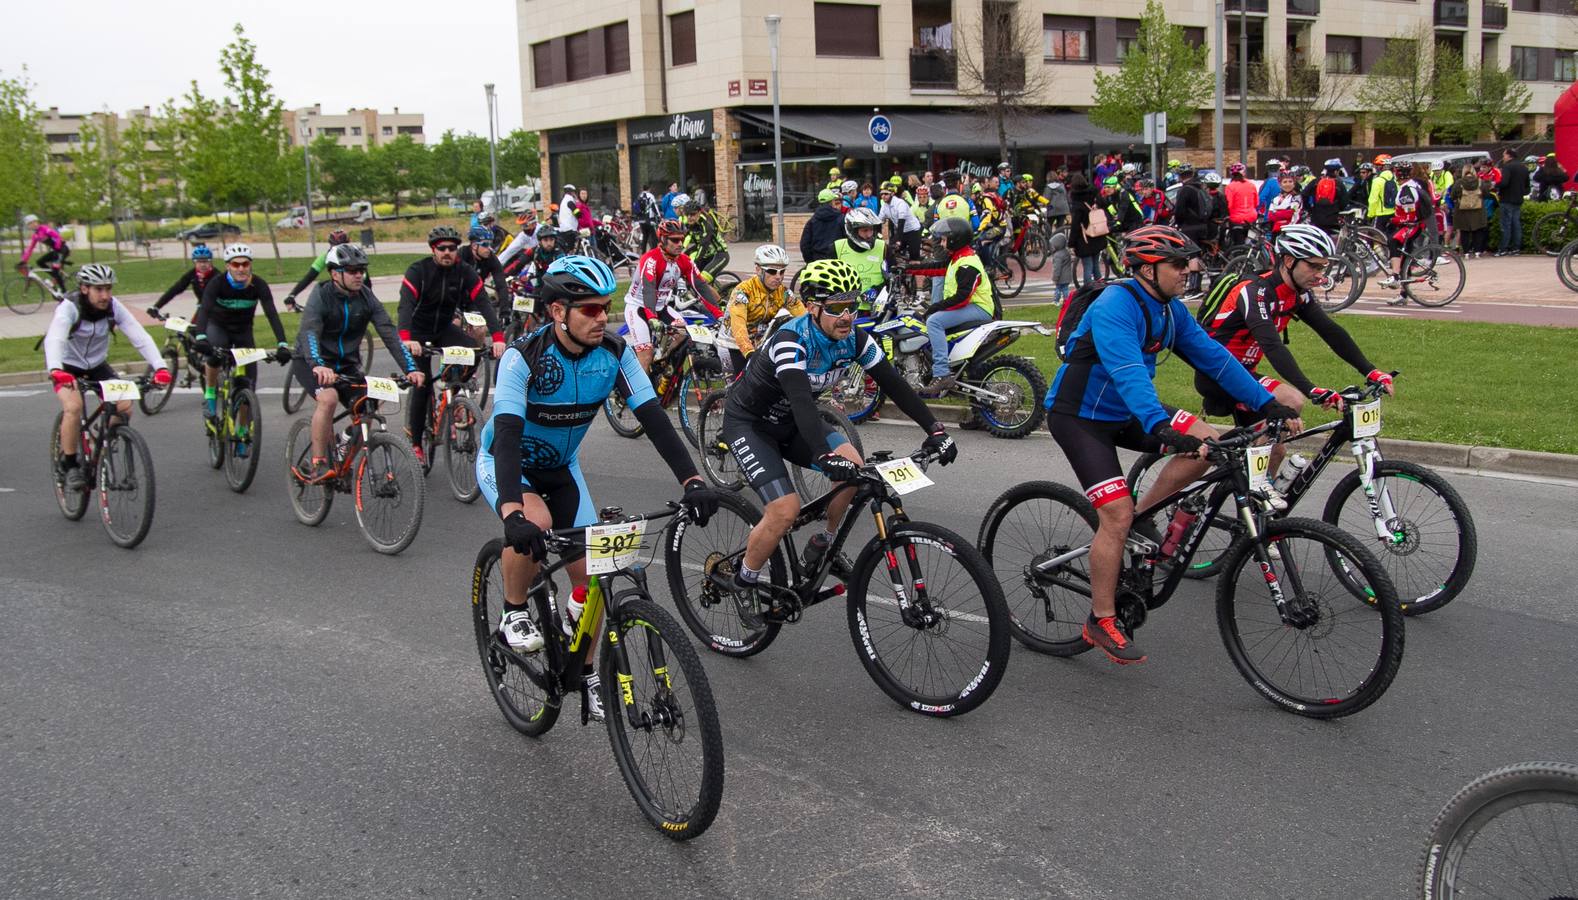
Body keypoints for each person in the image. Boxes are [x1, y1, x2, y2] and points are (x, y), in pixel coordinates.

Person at [481, 255, 722, 720]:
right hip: (509, 465)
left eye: (606, 307)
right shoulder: (522, 358)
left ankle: (587, 673)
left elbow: (654, 420)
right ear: (557, 312)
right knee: (537, 522)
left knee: (593, 579)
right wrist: (512, 512)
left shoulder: (614, 352)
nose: (601, 318)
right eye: (589, 309)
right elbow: (507, 436)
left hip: (562, 469)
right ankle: (513, 608)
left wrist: (693, 481)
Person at [1046, 224, 1297, 664]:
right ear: (1146, 269)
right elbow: (1127, 370)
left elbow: (1216, 359)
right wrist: (1160, 425)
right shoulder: (1114, 305)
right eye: (1179, 263)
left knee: (1213, 442)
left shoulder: (1169, 309)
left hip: (1129, 411)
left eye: (1189, 262)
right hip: (1080, 418)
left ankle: (1143, 520)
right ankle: (1100, 619)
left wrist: (1265, 403)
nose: (1190, 270)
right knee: (1115, 514)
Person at [706, 259, 956, 625]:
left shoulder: (854, 338)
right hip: (752, 425)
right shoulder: (792, 341)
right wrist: (823, 455)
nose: (847, 316)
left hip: (793, 423)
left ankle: (824, 542)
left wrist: (934, 429)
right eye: (837, 307)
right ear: (812, 308)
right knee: (784, 510)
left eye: (853, 306)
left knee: (853, 467)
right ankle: (742, 581)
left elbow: (895, 385)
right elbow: (801, 401)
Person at [1198, 224, 1392, 490]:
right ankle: (1228, 477)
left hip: (1245, 374)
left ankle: (1251, 507)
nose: (1319, 274)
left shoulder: (1297, 294)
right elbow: (1272, 346)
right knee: (1292, 400)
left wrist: (1371, 371)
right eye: (1313, 266)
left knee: (1275, 452)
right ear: (1289, 261)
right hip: (1218, 374)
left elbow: (1330, 331)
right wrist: (1312, 390)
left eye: (1323, 267)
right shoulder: (1254, 291)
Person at [292, 244, 424, 483]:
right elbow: (309, 331)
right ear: (334, 273)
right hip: (310, 361)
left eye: (361, 270)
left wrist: (411, 368)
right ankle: (318, 464)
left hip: (346, 364)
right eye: (351, 270)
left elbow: (388, 332)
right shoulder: (321, 295)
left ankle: (343, 444)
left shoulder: (365, 296)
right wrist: (318, 365)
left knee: (369, 404)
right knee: (329, 399)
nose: (358, 275)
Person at [46, 264, 173, 493]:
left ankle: (98, 444)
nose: (105, 295)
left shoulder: (114, 307)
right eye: (99, 289)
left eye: (108, 289)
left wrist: (160, 367)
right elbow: (55, 338)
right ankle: (70, 463)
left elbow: (139, 336)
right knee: (73, 407)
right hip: (66, 367)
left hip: (97, 365)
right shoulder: (70, 307)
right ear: (85, 288)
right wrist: (56, 369)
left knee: (124, 407)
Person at [398, 225, 505, 464]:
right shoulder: (419, 270)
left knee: (474, 351)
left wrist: (497, 337)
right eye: (442, 248)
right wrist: (407, 338)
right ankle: (416, 442)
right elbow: (405, 305)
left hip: (444, 328)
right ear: (434, 250)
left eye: (452, 248)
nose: (448, 252)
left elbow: (484, 302)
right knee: (422, 383)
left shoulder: (464, 271)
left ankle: (453, 392)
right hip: (418, 331)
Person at [192, 243, 291, 421]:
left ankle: (243, 432)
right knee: (215, 353)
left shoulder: (258, 285)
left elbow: (272, 314)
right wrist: (201, 337)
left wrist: (282, 344)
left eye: (245, 264)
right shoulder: (217, 283)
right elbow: (205, 310)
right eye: (236, 264)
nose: (241, 268)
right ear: (227, 266)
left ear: (250, 264)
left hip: (243, 332)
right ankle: (210, 394)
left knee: (248, 385)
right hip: (218, 327)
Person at [624, 219, 721, 374]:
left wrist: (719, 314)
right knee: (646, 355)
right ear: (662, 239)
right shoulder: (651, 259)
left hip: (661, 307)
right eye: (675, 240)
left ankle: (660, 366)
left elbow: (700, 286)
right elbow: (649, 289)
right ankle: (639, 394)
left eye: (682, 239)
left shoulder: (683, 260)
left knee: (682, 333)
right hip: (639, 308)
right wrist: (651, 317)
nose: (680, 244)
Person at [921, 217, 996, 394]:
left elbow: (962, 297)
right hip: (972, 306)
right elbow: (936, 268)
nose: (941, 242)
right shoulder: (958, 258)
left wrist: (936, 307)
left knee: (934, 322)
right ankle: (951, 371)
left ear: (955, 240)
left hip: (979, 308)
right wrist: (906, 268)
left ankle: (941, 374)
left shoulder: (967, 263)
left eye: (944, 239)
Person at [720, 244, 804, 374]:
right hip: (733, 343)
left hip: (758, 342)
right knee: (740, 388)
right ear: (758, 270)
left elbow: (803, 316)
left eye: (782, 272)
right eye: (772, 271)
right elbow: (738, 325)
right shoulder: (743, 292)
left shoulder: (783, 292)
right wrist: (748, 352)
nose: (778, 277)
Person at [1382, 161, 1437, 306]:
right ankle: (1403, 295)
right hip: (1414, 224)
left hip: (1413, 225)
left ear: (1397, 174)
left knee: (1393, 241)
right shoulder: (1411, 185)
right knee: (1405, 259)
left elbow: (1409, 215)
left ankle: (1394, 276)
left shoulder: (1407, 189)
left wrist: (1394, 220)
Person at [282, 229, 355, 311]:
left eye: (340, 247)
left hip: (355, 289)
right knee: (323, 287)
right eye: (334, 247)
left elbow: (364, 279)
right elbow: (309, 277)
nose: (337, 250)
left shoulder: (355, 255)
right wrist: (292, 295)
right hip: (339, 290)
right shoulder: (326, 256)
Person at [833, 207, 887, 302]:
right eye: (865, 230)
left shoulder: (883, 247)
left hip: (877, 308)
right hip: (847, 308)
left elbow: (893, 278)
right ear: (853, 230)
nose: (869, 235)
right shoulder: (837, 247)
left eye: (871, 230)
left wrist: (877, 290)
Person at [1170, 166, 1210, 294]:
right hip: (1203, 225)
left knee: (1192, 255)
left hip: (1189, 226)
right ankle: (1197, 283)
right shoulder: (1200, 187)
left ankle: (1193, 287)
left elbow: (1179, 211)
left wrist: (1178, 222)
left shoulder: (1184, 190)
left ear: (1181, 176)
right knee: (1199, 254)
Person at [149, 244, 220, 316]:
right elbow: (174, 290)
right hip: (202, 308)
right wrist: (157, 307)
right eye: (199, 261)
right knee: (192, 326)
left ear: (210, 262)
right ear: (194, 262)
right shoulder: (192, 274)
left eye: (205, 261)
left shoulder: (218, 276)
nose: (202, 265)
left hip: (219, 310)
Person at [460, 224, 511, 319]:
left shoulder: (491, 258)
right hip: (457, 295)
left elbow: (501, 285)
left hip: (476, 296)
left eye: (490, 244)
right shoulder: (461, 255)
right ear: (474, 245)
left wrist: (505, 312)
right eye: (485, 245)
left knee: (480, 328)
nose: (490, 248)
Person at [17, 215, 70, 293]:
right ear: (28, 226)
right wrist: (24, 260)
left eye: (35, 222)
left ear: (37, 222)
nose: (33, 224)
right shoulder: (35, 235)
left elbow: (57, 237)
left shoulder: (44, 229)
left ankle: (65, 291)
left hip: (62, 250)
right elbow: (30, 249)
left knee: (55, 268)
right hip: (55, 251)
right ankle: (57, 277)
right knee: (39, 262)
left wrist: (57, 248)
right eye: (30, 223)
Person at [1069, 173, 1105, 285]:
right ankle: (1100, 287)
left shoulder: (1077, 203)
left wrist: (1071, 243)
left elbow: (1075, 225)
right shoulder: (1094, 194)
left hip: (1084, 238)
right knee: (1096, 266)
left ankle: (1088, 290)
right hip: (1097, 234)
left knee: (1087, 267)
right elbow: (1103, 203)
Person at [681, 196, 730, 279]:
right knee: (687, 274)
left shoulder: (706, 223)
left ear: (699, 213)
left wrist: (695, 262)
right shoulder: (689, 222)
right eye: (687, 214)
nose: (689, 217)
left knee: (702, 280)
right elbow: (684, 237)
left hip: (719, 254)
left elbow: (704, 245)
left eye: (692, 214)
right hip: (707, 255)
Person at [1496, 148, 1530, 255]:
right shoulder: (1523, 167)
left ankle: (1503, 248)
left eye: (1504, 155)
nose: (1503, 157)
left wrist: (1495, 185)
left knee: (1506, 224)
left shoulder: (1507, 167)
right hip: (1518, 199)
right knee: (1516, 224)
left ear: (1509, 156)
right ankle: (1516, 248)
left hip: (1506, 198)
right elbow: (1527, 186)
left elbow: (1504, 182)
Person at [1451, 167, 1490, 258]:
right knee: (1478, 230)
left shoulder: (1459, 182)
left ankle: (1466, 253)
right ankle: (1477, 252)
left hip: (1462, 211)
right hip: (1478, 210)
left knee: (1464, 231)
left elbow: (1452, 195)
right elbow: (1486, 194)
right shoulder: (1480, 182)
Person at [878, 181, 922, 261]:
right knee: (889, 251)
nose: (883, 196)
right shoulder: (884, 206)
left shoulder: (900, 203)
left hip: (913, 231)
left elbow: (901, 223)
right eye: (882, 194)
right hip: (902, 231)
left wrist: (898, 240)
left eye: (886, 194)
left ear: (892, 194)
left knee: (914, 258)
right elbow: (879, 222)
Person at [799, 188, 845, 263]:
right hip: (837, 261)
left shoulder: (812, 221)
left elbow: (804, 245)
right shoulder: (841, 218)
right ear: (832, 202)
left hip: (817, 261)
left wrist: (810, 262)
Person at [1303, 159, 1346, 236]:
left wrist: (1309, 208)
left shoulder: (1316, 182)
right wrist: (1338, 210)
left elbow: (1304, 194)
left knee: (1319, 238)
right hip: (1333, 218)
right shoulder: (1339, 184)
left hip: (1317, 216)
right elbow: (1344, 201)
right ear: (1336, 172)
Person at [1224, 163, 1259, 248]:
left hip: (1237, 219)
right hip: (1251, 218)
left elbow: (1229, 204)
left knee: (1238, 244)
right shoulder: (1251, 185)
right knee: (1251, 242)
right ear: (1244, 173)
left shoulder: (1230, 187)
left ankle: (1239, 258)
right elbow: (1256, 203)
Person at [1369, 154, 1399, 233]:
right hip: (1393, 213)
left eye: (1377, 166)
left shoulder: (1377, 181)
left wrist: (1370, 215)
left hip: (1380, 214)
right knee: (1391, 235)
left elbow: (1373, 200)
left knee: (1374, 236)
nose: (1376, 168)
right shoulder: (1395, 179)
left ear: (1382, 167)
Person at [1050, 228, 1074, 304]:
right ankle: (1067, 300)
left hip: (1060, 277)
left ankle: (1056, 301)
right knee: (1065, 289)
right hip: (1067, 276)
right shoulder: (1066, 252)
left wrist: (1055, 278)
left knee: (1058, 289)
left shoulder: (1057, 255)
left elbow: (1057, 268)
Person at [635, 183, 661, 253]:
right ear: (649, 189)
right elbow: (654, 206)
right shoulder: (650, 196)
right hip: (649, 219)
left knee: (645, 236)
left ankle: (643, 253)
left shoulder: (639, 196)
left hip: (641, 220)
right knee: (653, 236)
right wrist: (658, 216)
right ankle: (654, 252)